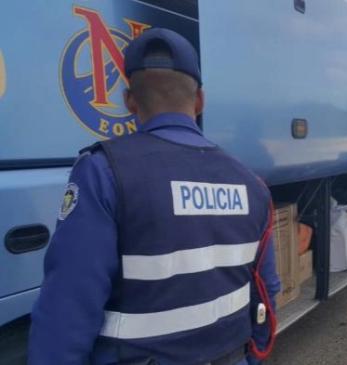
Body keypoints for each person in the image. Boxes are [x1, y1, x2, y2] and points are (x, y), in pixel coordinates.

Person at [28, 28, 280, 365]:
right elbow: (266, 290)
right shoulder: (251, 185)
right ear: (200, 100)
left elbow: (68, 308)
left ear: (130, 101)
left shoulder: (104, 172)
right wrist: (252, 358)